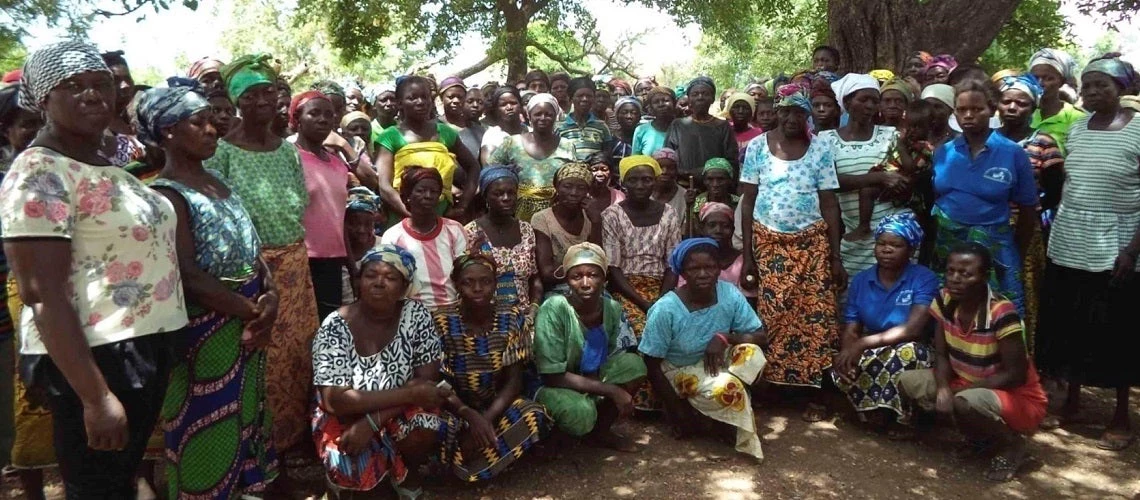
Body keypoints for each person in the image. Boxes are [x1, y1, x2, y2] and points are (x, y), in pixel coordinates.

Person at [1, 41, 188, 496]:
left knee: (118, 479)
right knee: (98, 486)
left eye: (101, 84)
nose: (92, 95)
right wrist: (96, 396)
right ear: (44, 98)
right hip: (95, 357)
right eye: (73, 86)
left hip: (141, 347)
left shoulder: (111, 167)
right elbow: (41, 292)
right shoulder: (41, 172)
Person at [140, 79, 279, 497]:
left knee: (247, 413)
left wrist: (269, 293)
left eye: (211, 122)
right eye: (197, 122)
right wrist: (250, 309)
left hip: (246, 317)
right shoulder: (166, 195)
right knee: (208, 418)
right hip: (209, 327)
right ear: (167, 131)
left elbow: (249, 244)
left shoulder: (218, 181)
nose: (212, 129)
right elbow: (188, 274)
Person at [205, 54, 319, 465]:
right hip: (251, 273)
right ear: (237, 102)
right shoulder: (222, 153)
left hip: (294, 266)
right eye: (251, 95)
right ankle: (262, 450)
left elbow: (298, 206)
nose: (262, 101)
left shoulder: (287, 151)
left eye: (268, 92)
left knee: (299, 354)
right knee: (261, 359)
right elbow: (218, 219)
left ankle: (295, 442)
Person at [1037, 57, 1140, 451]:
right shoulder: (1077, 130)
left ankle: (1119, 416)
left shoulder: (1137, 130)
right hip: (1070, 238)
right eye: (1089, 85)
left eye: (1103, 85)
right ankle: (1073, 401)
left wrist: (1132, 250)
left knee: (1117, 328)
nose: (1094, 92)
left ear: (1122, 89)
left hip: (1118, 241)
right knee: (1072, 321)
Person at [312, 246, 452, 499]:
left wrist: (373, 420)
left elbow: (427, 380)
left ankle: (408, 472)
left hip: (398, 411)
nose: (379, 283)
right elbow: (335, 400)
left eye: (390, 277)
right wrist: (408, 394)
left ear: (404, 287)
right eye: (370, 275)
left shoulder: (416, 315)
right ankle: (375, 474)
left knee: (425, 423)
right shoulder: (334, 325)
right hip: (347, 416)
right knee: (351, 471)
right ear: (358, 282)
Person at [899, 243, 1046, 482]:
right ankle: (978, 440)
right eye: (951, 271)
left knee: (964, 402)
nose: (955, 279)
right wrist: (945, 389)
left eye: (966, 274)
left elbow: (1015, 375)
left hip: (1016, 396)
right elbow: (941, 354)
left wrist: (958, 392)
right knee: (908, 381)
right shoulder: (944, 300)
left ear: (984, 277)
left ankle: (1011, 445)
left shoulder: (1001, 312)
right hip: (964, 381)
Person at [739, 84, 843, 421]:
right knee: (774, 313)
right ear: (777, 113)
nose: (792, 118)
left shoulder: (820, 150)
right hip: (768, 242)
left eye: (800, 112)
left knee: (816, 314)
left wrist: (835, 256)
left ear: (807, 117)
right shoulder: (757, 147)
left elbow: (829, 202)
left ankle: (813, 391)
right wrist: (750, 257)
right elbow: (748, 202)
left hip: (812, 244)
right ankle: (774, 386)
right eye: (785, 111)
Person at [640, 238, 767, 459]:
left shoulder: (729, 294)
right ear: (683, 273)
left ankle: (719, 415)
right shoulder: (666, 309)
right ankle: (714, 418)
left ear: (719, 269)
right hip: (680, 368)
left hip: (716, 359)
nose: (703, 274)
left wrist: (723, 336)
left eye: (709, 267)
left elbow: (760, 336)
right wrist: (676, 411)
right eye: (694, 268)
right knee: (728, 387)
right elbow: (651, 363)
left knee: (752, 355)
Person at [433, 254, 551, 481]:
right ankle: (474, 457)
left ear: (495, 284)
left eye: (486, 281)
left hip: (495, 406)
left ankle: (465, 460)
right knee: (431, 424)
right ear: (456, 285)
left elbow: (514, 381)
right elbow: (437, 380)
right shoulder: (440, 319)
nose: (478, 288)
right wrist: (467, 415)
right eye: (468, 282)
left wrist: (485, 420)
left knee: (532, 415)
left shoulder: (511, 315)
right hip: (454, 406)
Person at [930, 81, 1038, 316]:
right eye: (961, 110)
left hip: (996, 247)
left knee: (1002, 312)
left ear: (991, 110)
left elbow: (1029, 208)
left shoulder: (1012, 152)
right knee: (950, 309)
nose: (968, 116)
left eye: (977, 109)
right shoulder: (944, 152)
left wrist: (1014, 249)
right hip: (949, 245)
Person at [533, 243, 647, 450]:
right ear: (567, 280)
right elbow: (552, 375)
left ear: (604, 279)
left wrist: (606, 387)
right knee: (580, 412)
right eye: (577, 276)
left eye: (593, 275)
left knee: (634, 365)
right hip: (554, 384)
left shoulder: (611, 308)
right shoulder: (554, 308)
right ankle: (560, 442)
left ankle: (601, 431)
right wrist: (611, 390)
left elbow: (616, 354)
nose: (585, 283)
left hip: (591, 376)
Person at [832, 213, 938, 437]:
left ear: (911, 250)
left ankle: (902, 419)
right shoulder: (862, 280)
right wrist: (850, 350)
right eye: (881, 243)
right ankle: (870, 412)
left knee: (907, 353)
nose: (886, 249)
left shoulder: (923, 278)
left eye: (896, 245)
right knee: (840, 361)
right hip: (873, 346)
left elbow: (913, 329)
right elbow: (852, 327)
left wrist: (861, 344)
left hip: (911, 346)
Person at [0, 80, 50, 500]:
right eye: (24, 126)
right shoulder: (6, 179)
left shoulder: (60, 172)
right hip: (19, 291)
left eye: (40, 125)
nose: (32, 134)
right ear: (7, 131)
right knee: (28, 387)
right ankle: (31, 483)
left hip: (63, 290)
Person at [603, 155, 682, 410]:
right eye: (633, 179)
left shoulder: (668, 212)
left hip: (663, 287)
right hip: (626, 288)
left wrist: (661, 300)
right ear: (623, 183)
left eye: (647, 179)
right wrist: (645, 304)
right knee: (641, 329)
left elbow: (673, 262)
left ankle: (678, 396)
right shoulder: (612, 215)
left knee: (678, 328)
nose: (640, 185)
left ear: (655, 181)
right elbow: (613, 268)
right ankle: (645, 402)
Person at [995, 74, 1064, 351]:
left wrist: (1029, 212)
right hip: (987, 227)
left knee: (1023, 293)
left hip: (1024, 229)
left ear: (1033, 108)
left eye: (1021, 103)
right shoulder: (987, 140)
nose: (1012, 107)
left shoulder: (1044, 143)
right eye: (1007, 101)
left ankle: (1025, 357)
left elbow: (1056, 189)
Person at [823, 74, 908, 288]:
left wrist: (896, 182)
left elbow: (903, 173)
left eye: (874, 100)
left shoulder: (890, 135)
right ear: (848, 102)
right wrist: (878, 178)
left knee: (893, 295)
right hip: (856, 235)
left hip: (894, 233)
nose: (870, 105)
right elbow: (830, 182)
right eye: (863, 99)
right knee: (852, 297)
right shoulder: (826, 140)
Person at [376, 76, 481, 222]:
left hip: (442, 216)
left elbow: (473, 167)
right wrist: (411, 215)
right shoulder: (389, 137)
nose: (420, 102)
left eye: (425, 97)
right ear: (400, 103)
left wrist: (463, 205)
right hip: (404, 219)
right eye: (412, 98)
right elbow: (384, 185)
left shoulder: (445, 133)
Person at [291, 91, 355, 322]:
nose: (323, 119)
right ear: (298, 119)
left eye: (329, 115)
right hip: (300, 259)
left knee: (328, 328)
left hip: (333, 262)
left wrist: (351, 266)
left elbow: (340, 218)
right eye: (314, 113)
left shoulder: (338, 165)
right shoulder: (289, 157)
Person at [380, 167, 468, 312]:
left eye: (433, 192)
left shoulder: (454, 230)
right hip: (412, 314)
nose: (428, 196)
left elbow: (464, 273)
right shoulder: (393, 236)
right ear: (407, 196)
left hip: (452, 312)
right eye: (421, 191)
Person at [464, 166, 542, 316]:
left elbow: (535, 277)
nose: (506, 198)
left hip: (524, 316)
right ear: (486, 197)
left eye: (511, 193)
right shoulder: (471, 232)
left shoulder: (526, 230)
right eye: (498, 194)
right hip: (486, 318)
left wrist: (534, 307)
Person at [488, 93, 576, 222]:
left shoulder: (567, 145)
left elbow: (575, 177)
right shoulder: (512, 143)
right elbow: (491, 170)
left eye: (548, 114)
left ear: (555, 116)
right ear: (529, 116)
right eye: (537, 114)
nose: (543, 118)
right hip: (518, 212)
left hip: (558, 212)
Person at [532, 162, 603, 297]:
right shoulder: (542, 219)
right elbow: (547, 273)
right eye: (567, 186)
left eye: (581, 188)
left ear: (587, 191)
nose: (574, 193)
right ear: (557, 187)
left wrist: (596, 222)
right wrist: (585, 271)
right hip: (556, 289)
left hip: (589, 286)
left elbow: (597, 261)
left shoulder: (591, 217)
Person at [665, 77, 738, 182]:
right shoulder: (678, 125)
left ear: (712, 98)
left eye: (705, 94)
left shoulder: (722, 126)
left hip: (715, 186)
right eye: (695, 94)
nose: (700, 97)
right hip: (684, 185)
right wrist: (686, 173)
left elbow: (731, 160)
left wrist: (708, 173)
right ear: (689, 99)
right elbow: (668, 157)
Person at [1028, 48, 1085, 153]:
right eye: (1035, 78)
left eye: (1049, 78)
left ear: (1062, 81)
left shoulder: (1076, 118)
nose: (1040, 83)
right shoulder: (1024, 113)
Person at [100, 50, 147, 167]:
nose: (125, 86)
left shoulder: (135, 118)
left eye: (128, 78)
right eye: (115, 80)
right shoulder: (96, 131)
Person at [556, 77, 611, 162]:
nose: (585, 99)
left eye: (589, 96)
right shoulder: (559, 127)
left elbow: (606, 153)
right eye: (580, 96)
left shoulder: (602, 126)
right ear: (571, 99)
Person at [343, 187, 382, 304]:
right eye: (353, 223)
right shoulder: (337, 255)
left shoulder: (382, 247)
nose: (361, 230)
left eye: (367, 224)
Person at [480, 87, 528, 164]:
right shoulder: (493, 136)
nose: (509, 107)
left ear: (520, 106)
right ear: (496, 110)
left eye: (513, 103)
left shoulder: (530, 131)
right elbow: (489, 167)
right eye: (503, 104)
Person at [689, 157, 739, 222]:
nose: (715, 184)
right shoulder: (695, 204)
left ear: (730, 180)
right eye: (710, 179)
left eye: (721, 179)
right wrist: (688, 207)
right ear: (704, 181)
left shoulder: (739, 203)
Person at [631, 86, 676, 156]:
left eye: (666, 101)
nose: (661, 104)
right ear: (651, 107)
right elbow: (635, 159)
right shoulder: (641, 130)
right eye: (656, 102)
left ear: (674, 103)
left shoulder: (682, 128)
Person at [650, 148, 688, 219]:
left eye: (670, 168)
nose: (664, 172)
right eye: (660, 167)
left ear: (676, 170)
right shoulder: (643, 194)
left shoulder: (686, 197)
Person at [727, 93, 762, 165]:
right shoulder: (723, 131)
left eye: (745, 108)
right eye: (736, 107)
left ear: (751, 112)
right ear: (729, 111)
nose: (740, 111)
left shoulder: (758, 134)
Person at [608, 96, 640, 168]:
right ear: (617, 116)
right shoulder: (610, 138)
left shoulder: (643, 137)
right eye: (624, 112)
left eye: (634, 113)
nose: (629, 116)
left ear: (639, 117)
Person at [457, 86, 486, 161]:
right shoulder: (454, 128)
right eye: (470, 101)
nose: (475, 105)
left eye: (480, 102)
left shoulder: (485, 131)